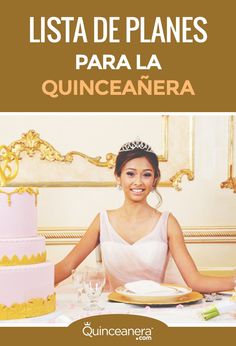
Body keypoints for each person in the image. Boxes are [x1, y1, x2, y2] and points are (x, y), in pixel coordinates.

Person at [55, 139, 236, 293]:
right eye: (130, 174)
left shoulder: (167, 222)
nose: (138, 182)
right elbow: (65, 267)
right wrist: (29, 281)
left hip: (158, 308)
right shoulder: (102, 220)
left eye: (147, 175)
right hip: (115, 308)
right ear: (118, 177)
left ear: (155, 179)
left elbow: (195, 281)